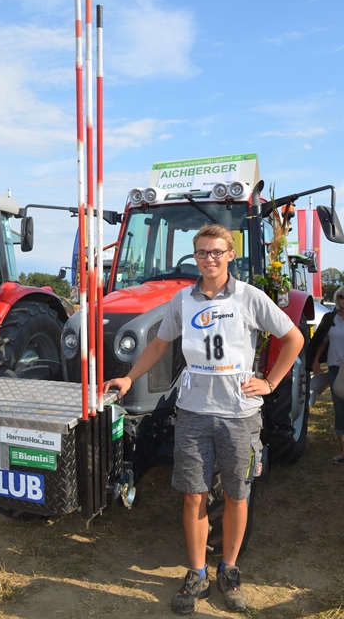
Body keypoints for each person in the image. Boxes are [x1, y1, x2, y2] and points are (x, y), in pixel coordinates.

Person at [104, 223, 304, 614]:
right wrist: (129, 377)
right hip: (194, 412)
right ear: (195, 256)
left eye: (216, 252)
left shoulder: (249, 296)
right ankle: (197, 573)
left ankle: (228, 569)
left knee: (236, 494)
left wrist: (270, 382)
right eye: (202, 252)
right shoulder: (183, 300)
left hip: (239, 415)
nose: (209, 259)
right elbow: (159, 344)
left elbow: (293, 337)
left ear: (230, 255)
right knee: (193, 493)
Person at [310, 286, 344, 464]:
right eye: (341, 296)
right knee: (339, 409)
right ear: (337, 299)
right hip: (336, 370)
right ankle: (343, 451)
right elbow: (323, 341)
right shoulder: (330, 319)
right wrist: (316, 360)